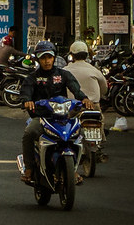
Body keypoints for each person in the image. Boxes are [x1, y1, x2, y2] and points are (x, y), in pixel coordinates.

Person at [18, 40, 93, 182]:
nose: (47, 61)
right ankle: (28, 168)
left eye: (49, 57)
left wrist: (84, 99)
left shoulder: (64, 75)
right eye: (43, 58)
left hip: (63, 117)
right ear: (38, 59)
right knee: (29, 134)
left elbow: (76, 90)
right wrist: (27, 101)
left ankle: (74, 169)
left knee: (80, 134)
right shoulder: (32, 78)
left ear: (54, 57)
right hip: (41, 117)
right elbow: (26, 92)